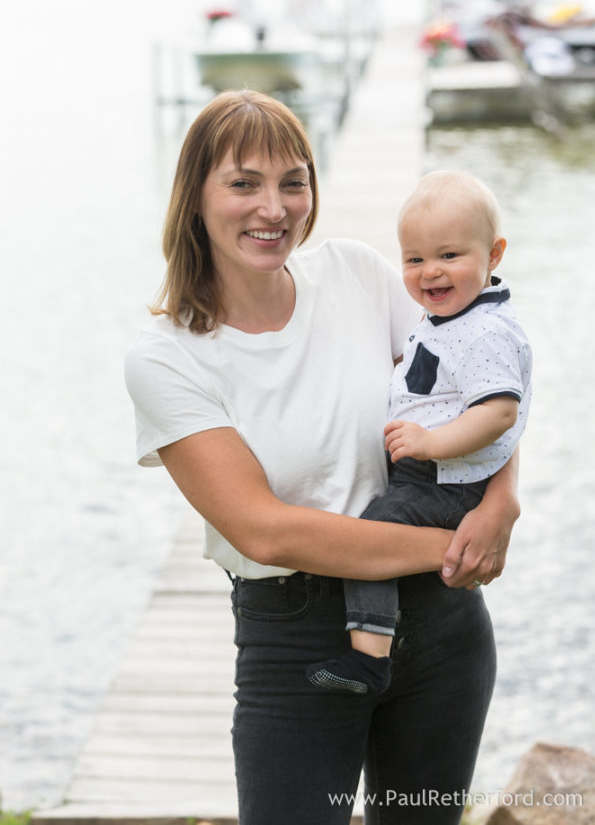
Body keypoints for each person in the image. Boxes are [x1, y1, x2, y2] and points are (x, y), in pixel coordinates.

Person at [124, 90, 520, 825]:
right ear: (195, 196)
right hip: (299, 640)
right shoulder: (167, 356)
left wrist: (501, 503)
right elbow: (265, 531)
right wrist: (455, 545)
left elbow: (479, 385)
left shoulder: (357, 274)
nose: (274, 208)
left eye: (293, 182)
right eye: (244, 183)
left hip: (442, 627)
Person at [307, 170, 532, 698]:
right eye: (414, 259)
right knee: (378, 529)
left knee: (373, 535)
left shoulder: (484, 331)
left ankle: (369, 658)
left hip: (446, 480)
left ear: (494, 254)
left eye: (449, 255)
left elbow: (500, 413)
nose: (430, 271)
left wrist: (432, 443)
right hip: (432, 473)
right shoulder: (448, 316)